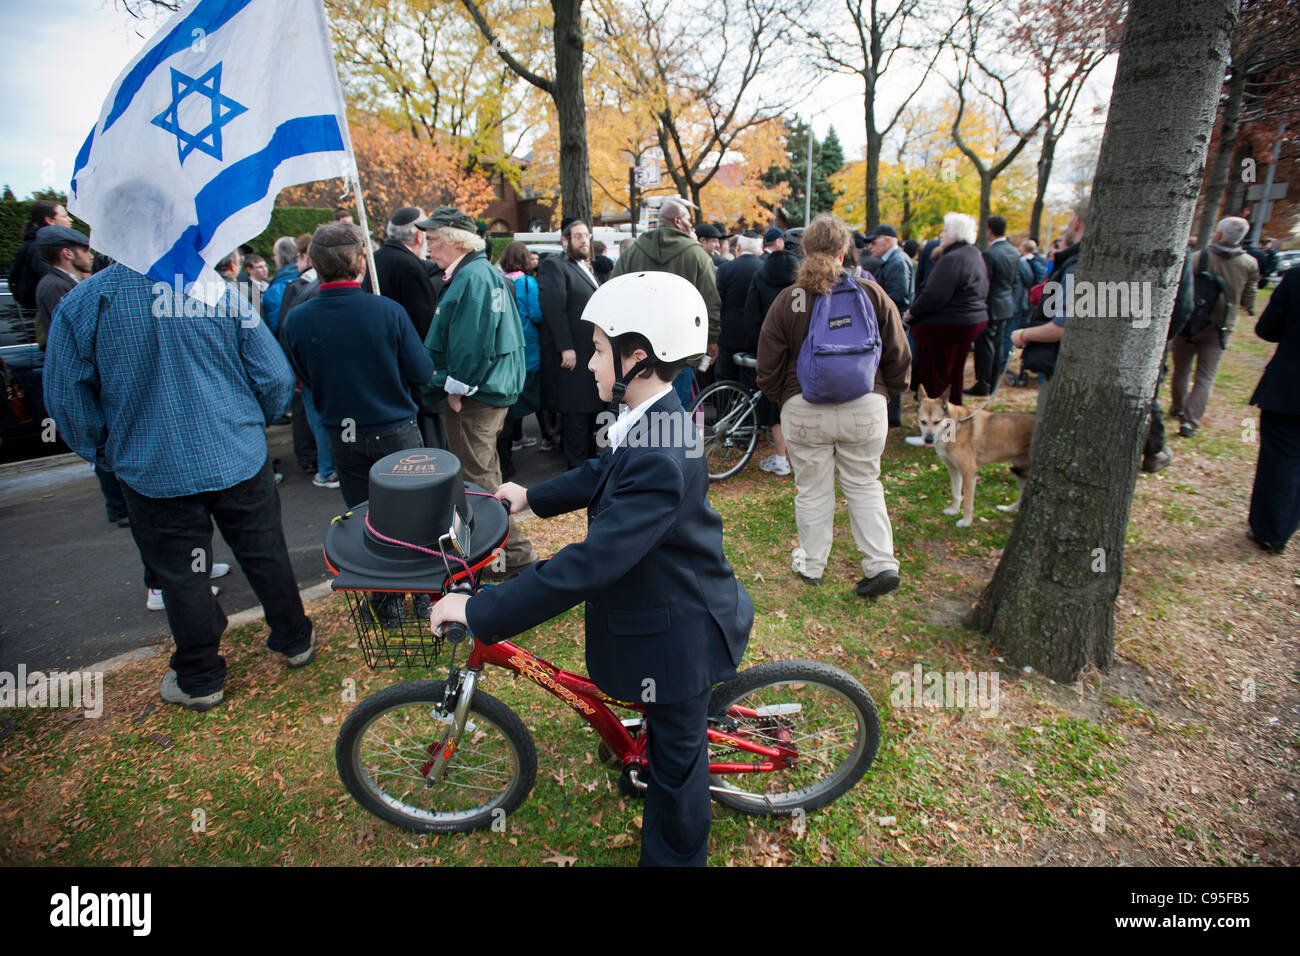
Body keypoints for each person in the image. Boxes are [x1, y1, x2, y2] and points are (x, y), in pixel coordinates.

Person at [430, 271, 752, 867]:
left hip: (680, 633)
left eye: (601, 350)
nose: (589, 364)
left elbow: (592, 564)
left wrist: (480, 609)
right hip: (664, 599)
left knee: (678, 776)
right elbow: (604, 472)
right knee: (665, 744)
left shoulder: (660, 450)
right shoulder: (655, 413)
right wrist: (530, 496)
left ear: (638, 358)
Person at [44, 260, 314, 711]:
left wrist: (105, 451)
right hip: (225, 455)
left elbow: (67, 401)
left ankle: (204, 674)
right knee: (261, 552)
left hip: (157, 465)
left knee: (183, 575)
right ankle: (292, 639)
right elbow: (275, 377)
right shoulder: (214, 289)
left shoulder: (86, 302)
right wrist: (248, 424)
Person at [756, 214, 912, 597]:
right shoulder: (870, 293)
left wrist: (784, 398)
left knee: (812, 489)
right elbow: (898, 351)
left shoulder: (789, 299)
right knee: (864, 483)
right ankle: (881, 562)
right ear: (845, 252)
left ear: (804, 251)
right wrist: (887, 392)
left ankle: (811, 565)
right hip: (866, 405)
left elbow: (767, 362)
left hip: (804, 406)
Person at [418, 206, 536, 576]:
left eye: (434, 239)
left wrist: (456, 387)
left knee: (479, 482)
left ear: (456, 239)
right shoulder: (477, 273)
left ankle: (514, 558)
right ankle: (504, 556)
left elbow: (472, 344)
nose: (428, 247)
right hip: (485, 392)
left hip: (476, 396)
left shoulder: (472, 277)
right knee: (482, 476)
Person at [285, 223, 433, 508]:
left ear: (315, 263)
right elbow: (422, 371)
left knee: (363, 515)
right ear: (360, 262)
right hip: (393, 429)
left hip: (342, 431)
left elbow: (305, 375)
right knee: (413, 513)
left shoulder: (297, 318)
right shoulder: (388, 311)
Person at [612, 199, 721, 406]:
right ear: (678, 221)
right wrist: (711, 338)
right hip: (681, 349)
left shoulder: (631, 253)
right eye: (688, 219)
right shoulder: (697, 255)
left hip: (637, 349)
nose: (691, 224)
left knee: (637, 411)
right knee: (675, 411)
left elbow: (613, 293)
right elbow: (709, 301)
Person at [362, 205, 446, 450]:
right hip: (411, 371)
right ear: (419, 236)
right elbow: (424, 325)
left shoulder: (375, 259)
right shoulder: (409, 266)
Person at [1169, 216, 1259, 437]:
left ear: (1218, 233)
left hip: (1190, 324)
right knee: (1205, 377)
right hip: (1221, 326)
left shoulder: (1199, 257)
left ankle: (1178, 407)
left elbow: (1182, 292)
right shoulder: (1249, 264)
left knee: (1181, 369)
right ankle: (1189, 421)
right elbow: (1249, 298)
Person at [538, 219, 604, 468]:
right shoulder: (554, 266)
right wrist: (566, 347)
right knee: (577, 416)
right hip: (572, 356)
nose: (584, 240)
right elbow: (553, 309)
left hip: (588, 354)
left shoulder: (584, 267)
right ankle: (577, 471)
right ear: (565, 241)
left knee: (587, 415)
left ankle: (586, 467)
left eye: (586, 235)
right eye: (577, 236)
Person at [903, 213, 988, 406]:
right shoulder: (974, 254)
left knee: (937, 379)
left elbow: (934, 295)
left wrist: (911, 313)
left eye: (945, 231)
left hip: (946, 325)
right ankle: (951, 427)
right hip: (968, 321)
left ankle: (939, 429)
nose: (941, 235)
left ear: (956, 234)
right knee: (953, 377)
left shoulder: (953, 258)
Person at [1247, 267, 1300, 553]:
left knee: (1280, 460)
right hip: (1289, 389)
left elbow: (1268, 328)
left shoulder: (1296, 277)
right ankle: (1278, 526)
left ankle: (1272, 530)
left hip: (1290, 389)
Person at [743, 231, 801, 476]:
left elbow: (752, 316)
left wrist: (758, 343)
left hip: (769, 347)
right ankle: (798, 457)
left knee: (772, 403)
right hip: (798, 350)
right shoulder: (800, 282)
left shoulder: (760, 276)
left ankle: (780, 457)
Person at [497, 241, 544, 479]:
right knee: (532, 393)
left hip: (508, 346)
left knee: (513, 396)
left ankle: (514, 438)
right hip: (529, 345)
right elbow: (536, 313)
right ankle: (544, 437)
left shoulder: (499, 281)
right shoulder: (527, 282)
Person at [865, 224, 913, 426]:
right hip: (892, 320)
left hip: (893, 321)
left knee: (891, 363)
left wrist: (879, 308)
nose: (870, 247)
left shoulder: (897, 262)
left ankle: (892, 417)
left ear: (887, 240)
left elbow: (898, 296)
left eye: (874, 242)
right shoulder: (894, 261)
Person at [970, 214, 1021, 396]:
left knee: (986, 345)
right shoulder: (1014, 252)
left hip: (991, 305)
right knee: (999, 344)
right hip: (1007, 304)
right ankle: (993, 380)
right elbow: (1015, 279)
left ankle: (984, 382)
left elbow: (985, 283)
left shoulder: (990, 254)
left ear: (990, 230)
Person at [9, 200, 73, 310]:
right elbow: (54, 281)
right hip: (48, 311)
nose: (70, 219)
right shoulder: (41, 247)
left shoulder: (37, 244)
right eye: (64, 216)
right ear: (50, 220)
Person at [261, 236, 299, 334]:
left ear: (282, 256)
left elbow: (275, 327)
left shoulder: (276, 289)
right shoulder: (312, 278)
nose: (274, 259)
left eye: (275, 255)